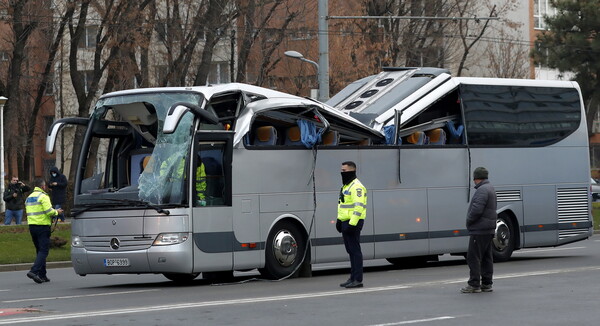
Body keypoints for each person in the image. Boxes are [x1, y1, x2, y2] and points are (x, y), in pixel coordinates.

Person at [461, 167, 497, 293]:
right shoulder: (490, 188)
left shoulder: (482, 190)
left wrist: (469, 220)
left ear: (476, 178)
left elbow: (477, 209)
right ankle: (487, 283)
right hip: (488, 228)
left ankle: (474, 284)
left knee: (473, 256)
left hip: (480, 229)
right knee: (487, 257)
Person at [25, 178, 63, 283]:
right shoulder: (43, 196)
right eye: (45, 186)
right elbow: (49, 212)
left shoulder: (29, 197)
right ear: (42, 186)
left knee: (39, 250)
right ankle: (34, 271)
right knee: (44, 250)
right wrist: (57, 212)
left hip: (32, 226)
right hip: (42, 227)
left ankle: (42, 275)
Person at [336, 161, 367, 288]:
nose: (342, 173)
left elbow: (359, 207)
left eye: (344, 171)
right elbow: (342, 205)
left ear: (352, 171)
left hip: (352, 223)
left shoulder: (357, 187)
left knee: (355, 251)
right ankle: (352, 277)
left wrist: (352, 224)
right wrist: (339, 220)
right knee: (350, 251)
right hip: (346, 222)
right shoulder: (346, 186)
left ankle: (357, 279)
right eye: (342, 170)